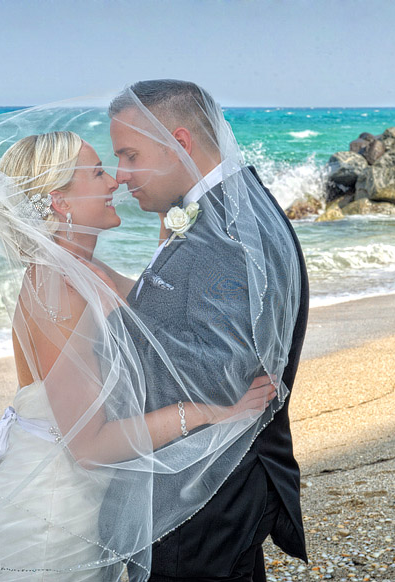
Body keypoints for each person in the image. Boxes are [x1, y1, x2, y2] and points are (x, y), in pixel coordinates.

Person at [0, 96, 289, 582]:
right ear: (59, 200)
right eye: (96, 172)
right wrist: (216, 413)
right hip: (51, 515)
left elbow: (161, 313)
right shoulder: (58, 288)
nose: (115, 180)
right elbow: (89, 445)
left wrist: (175, 213)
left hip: (78, 500)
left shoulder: (83, 273)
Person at [100, 80, 309, 582]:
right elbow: (184, 319)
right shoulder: (228, 211)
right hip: (219, 482)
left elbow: (214, 375)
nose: (121, 175)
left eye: (130, 155)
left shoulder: (226, 235)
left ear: (180, 142)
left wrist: (101, 427)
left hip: (206, 490)